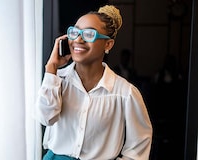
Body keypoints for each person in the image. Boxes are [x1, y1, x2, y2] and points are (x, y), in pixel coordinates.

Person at [34, 5, 152, 160]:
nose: (78, 39)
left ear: (108, 44)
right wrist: (51, 68)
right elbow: (45, 118)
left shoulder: (125, 93)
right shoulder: (56, 80)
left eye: (89, 34)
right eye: (75, 32)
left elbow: (138, 147)